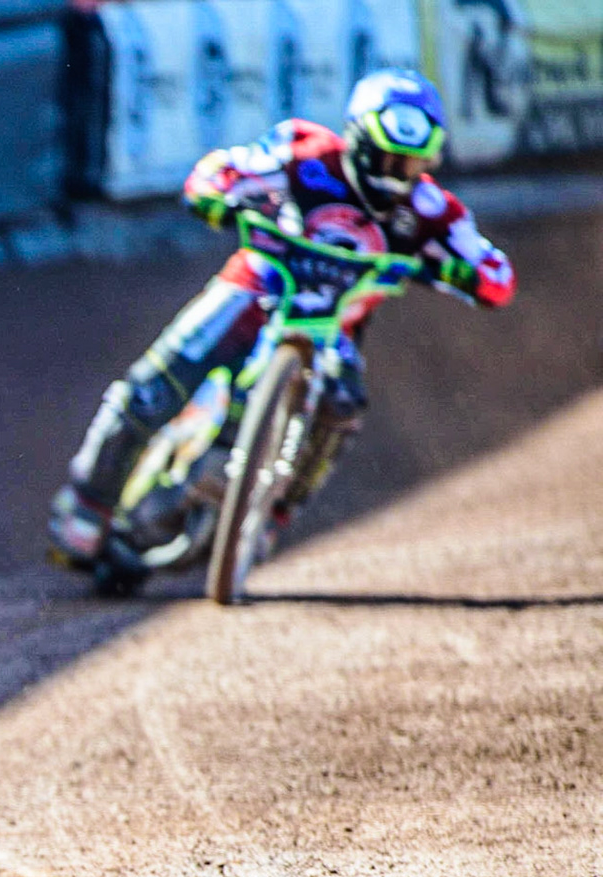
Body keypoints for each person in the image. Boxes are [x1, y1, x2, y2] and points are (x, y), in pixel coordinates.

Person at [47, 69, 516, 573]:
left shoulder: (432, 209)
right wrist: (216, 197)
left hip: (332, 327)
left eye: (412, 163)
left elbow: (497, 273)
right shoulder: (304, 152)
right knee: (154, 385)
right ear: (357, 139)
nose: (396, 175)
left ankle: (274, 515)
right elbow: (220, 170)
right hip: (257, 285)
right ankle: (86, 507)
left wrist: (460, 273)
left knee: (342, 404)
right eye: (387, 158)